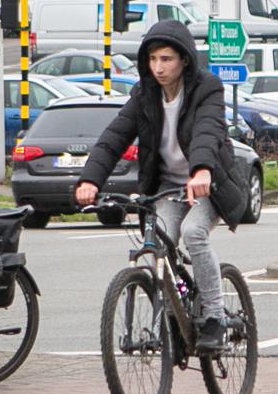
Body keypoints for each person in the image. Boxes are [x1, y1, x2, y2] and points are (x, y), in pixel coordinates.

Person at [74, 19, 240, 353]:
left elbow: (208, 131)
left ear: (184, 61)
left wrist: (203, 171)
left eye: (166, 59)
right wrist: (90, 179)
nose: (158, 67)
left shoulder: (207, 88)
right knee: (154, 250)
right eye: (153, 60)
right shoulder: (145, 95)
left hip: (207, 185)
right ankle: (173, 318)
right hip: (168, 187)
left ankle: (213, 317)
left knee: (194, 233)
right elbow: (114, 138)